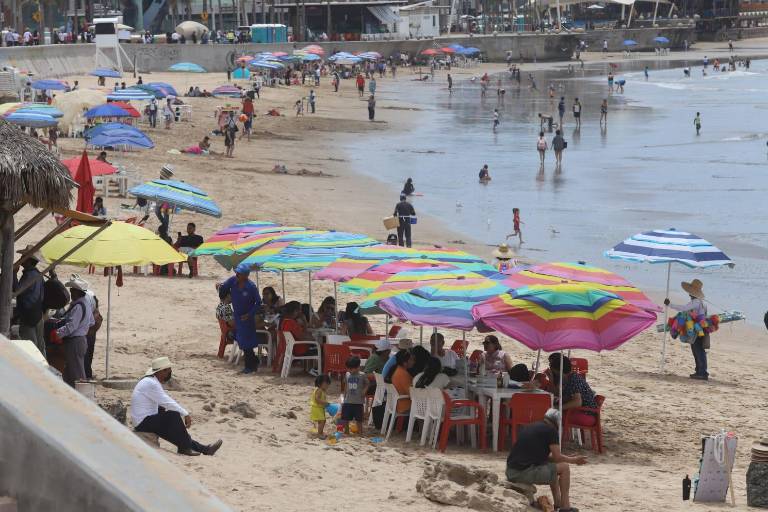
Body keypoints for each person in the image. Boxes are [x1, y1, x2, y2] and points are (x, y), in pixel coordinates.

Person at [131, 357, 223, 456]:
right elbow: (167, 401)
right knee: (173, 415)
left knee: (177, 430)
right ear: (162, 372)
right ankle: (185, 448)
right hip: (143, 422)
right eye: (168, 371)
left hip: (144, 420)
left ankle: (205, 449)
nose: (170, 374)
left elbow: (163, 402)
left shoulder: (150, 381)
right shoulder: (151, 383)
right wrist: (185, 413)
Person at [506, 408, 587, 512]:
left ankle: (558, 503)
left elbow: (548, 458)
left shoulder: (532, 426)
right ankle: (565, 507)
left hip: (511, 471)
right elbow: (557, 457)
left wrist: (569, 457)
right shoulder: (551, 431)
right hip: (523, 472)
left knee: (552, 466)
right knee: (565, 467)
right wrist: (574, 460)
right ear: (557, 423)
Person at [218, 264, 262, 374]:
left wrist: (250, 314)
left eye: (239, 273)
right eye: (236, 272)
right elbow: (223, 288)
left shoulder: (251, 286)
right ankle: (253, 362)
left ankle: (250, 366)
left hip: (247, 317)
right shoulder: (233, 280)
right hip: (237, 316)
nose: (236, 274)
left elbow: (258, 302)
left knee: (247, 342)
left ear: (245, 275)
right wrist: (222, 288)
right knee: (242, 341)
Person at [665, 279, 710, 380]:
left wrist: (670, 304)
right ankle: (699, 371)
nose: (689, 294)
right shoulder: (702, 303)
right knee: (697, 350)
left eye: (690, 292)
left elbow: (684, 308)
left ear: (692, 292)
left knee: (698, 350)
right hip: (701, 328)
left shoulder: (695, 302)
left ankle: (702, 372)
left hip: (696, 329)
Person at [55, 275, 94, 386]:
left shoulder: (78, 307)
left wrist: (58, 334)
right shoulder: (86, 303)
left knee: (77, 375)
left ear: (77, 292)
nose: (71, 294)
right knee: (70, 372)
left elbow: (71, 327)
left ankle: (83, 397)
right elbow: (91, 322)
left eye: (72, 292)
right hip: (81, 340)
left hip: (75, 341)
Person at [13, 246, 45, 355]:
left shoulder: (29, 275)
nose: (21, 258)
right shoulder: (37, 274)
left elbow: (17, 291)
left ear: (28, 260)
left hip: (29, 315)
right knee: (40, 345)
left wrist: (13, 274)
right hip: (37, 313)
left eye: (23, 256)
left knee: (31, 346)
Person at [551, 355, 598, 423]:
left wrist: (558, 408)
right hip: (580, 411)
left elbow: (577, 402)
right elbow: (558, 394)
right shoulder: (567, 378)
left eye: (552, 368)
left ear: (558, 370)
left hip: (587, 414)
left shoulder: (573, 379)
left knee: (550, 416)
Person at [341, 356, 368, 434]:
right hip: (348, 401)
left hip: (358, 402)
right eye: (348, 368)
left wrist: (364, 390)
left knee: (359, 419)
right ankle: (346, 432)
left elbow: (367, 383)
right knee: (345, 418)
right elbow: (346, 385)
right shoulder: (347, 374)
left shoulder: (362, 375)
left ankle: (360, 432)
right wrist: (344, 396)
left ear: (358, 367)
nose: (349, 370)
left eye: (351, 369)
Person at [385, 349, 413, 414]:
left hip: (396, 404)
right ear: (405, 362)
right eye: (411, 360)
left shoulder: (396, 369)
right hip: (405, 406)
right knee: (425, 410)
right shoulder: (403, 374)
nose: (413, 362)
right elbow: (411, 394)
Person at [84, 293, 103, 380]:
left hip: (88, 330)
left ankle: (87, 374)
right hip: (92, 330)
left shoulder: (85, 299)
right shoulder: (91, 295)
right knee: (89, 352)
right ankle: (88, 374)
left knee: (86, 353)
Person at [310, 374, 331, 438]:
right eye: (326, 384)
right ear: (319, 384)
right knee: (322, 420)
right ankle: (319, 433)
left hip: (319, 408)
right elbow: (317, 399)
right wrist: (325, 402)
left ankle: (321, 432)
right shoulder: (319, 390)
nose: (327, 385)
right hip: (316, 408)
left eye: (328, 384)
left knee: (323, 420)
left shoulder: (322, 390)